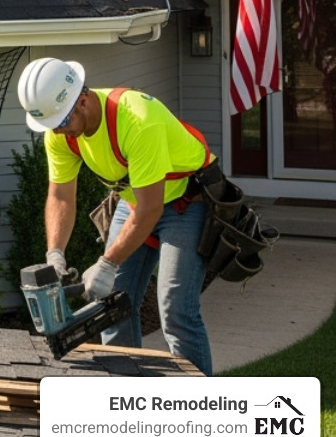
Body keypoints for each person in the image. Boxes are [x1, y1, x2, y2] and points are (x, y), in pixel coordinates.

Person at [17, 57, 216, 375]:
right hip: (134, 200)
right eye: (51, 125)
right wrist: (55, 253)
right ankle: (126, 400)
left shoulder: (137, 119)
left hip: (184, 201)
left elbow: (151, 208)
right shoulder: (61, 132)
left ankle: (198, 407)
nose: (57, 131)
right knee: (111, 303)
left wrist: (107, 264)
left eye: (61, 122)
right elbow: (60, 196)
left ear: (82, 100)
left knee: (176, 309)